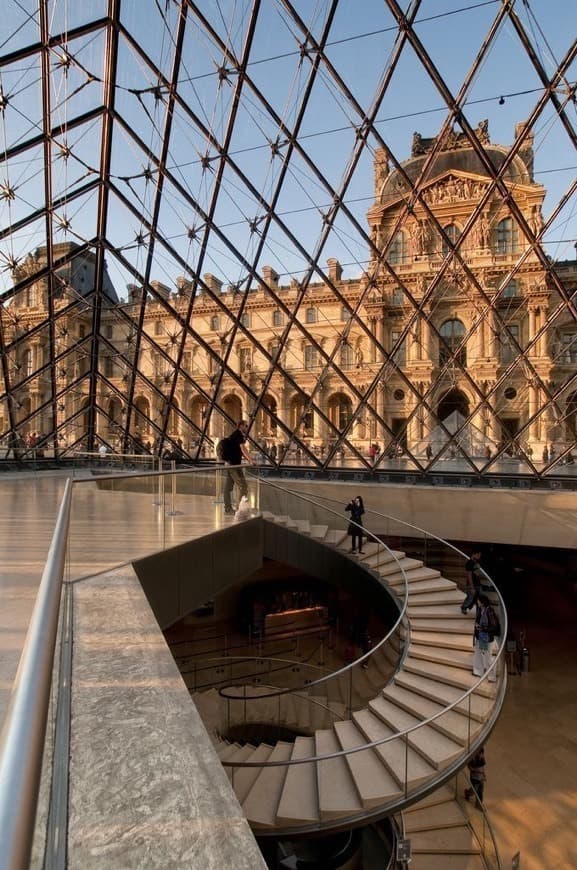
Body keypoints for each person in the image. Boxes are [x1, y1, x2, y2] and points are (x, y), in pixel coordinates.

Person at [223, 420, 251, 515]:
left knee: (228, 487)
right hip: (234, 465)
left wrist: (246, 458)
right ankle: (240, 509)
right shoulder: (238, 434)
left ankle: (228, 509)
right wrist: (250, 460)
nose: (247, 428)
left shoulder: (234, 434)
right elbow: (243, 448)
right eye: (246, 426)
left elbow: (238, 450)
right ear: (241, 426)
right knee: (243, 486)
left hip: (231, 464)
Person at [472, 593, 500, 682]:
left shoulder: (489, 611)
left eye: (478, 601)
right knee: (478, 653)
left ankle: (491, 676)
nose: (477, 602)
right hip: (480, 636)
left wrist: (482, 628)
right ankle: (478, 671)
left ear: (482, 602)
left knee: (488, 656)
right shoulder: (480, 610)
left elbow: (494, 626)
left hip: (487, 637)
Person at [461, 549, 483, 614]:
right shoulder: (469, 563)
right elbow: (469, 576)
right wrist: (472, 587)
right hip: (472, 584)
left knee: (480, 597)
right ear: (474, 554)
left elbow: (478, 573)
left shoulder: (477, 562)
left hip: (478, 583)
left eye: (480, 555)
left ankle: (480, 610)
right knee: (470, 597)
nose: (479, 556)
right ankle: (464, 607)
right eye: (478, 555)